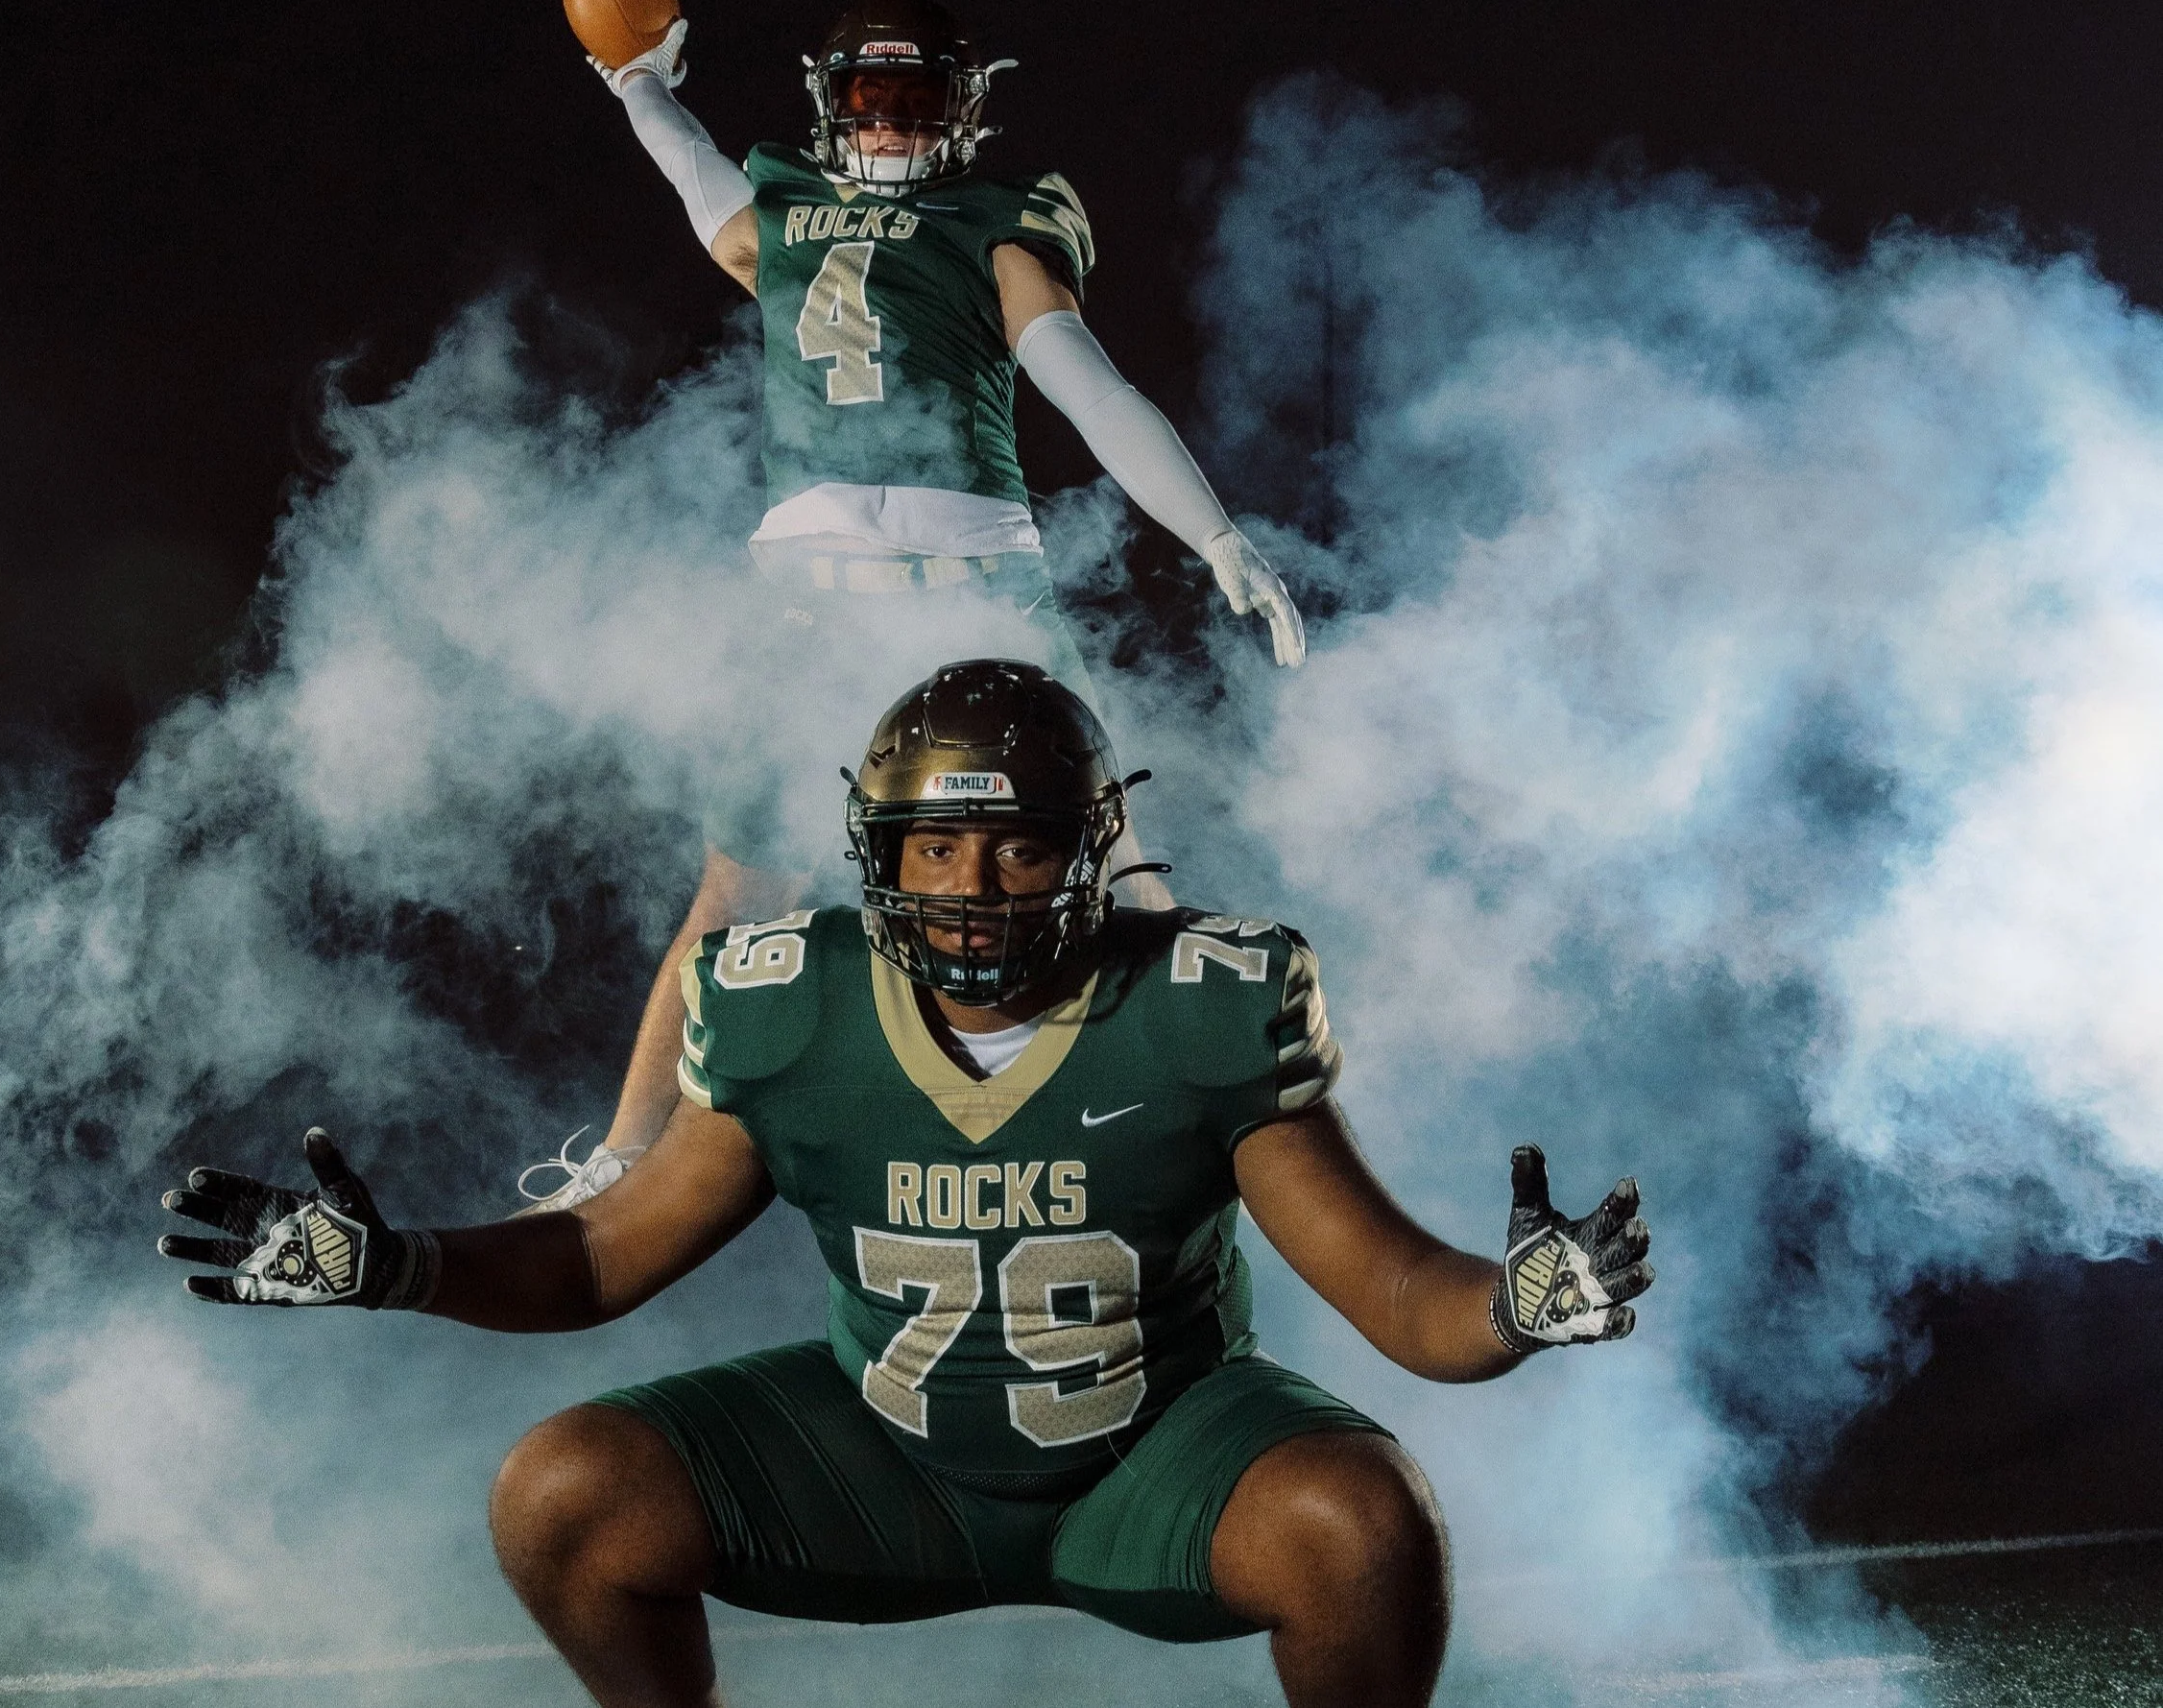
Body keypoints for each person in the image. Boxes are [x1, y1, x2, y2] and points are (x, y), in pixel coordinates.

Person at [161, 661, 1656, 1708]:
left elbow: (1400, 1293)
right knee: (564, 1490)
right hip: (890, 1456)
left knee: (1363, 1519)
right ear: (878, 853)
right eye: (934, 844)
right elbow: (608, 1256)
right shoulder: (789, 997)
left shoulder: (1203, 995)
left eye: (1016, 847)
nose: (971, 885)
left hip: (1158, 1458)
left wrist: (1517, 1302)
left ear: (1090, 850)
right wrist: (402, 1262)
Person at [538, 0, 1310, 1209]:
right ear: (828, 98)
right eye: (867, 95)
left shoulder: (992, 218)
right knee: (740, 896)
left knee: (1114, 871)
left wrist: (1210, 531)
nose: (888, 121)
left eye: (914, 99)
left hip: (974, 585)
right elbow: (704, 196)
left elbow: (1086, 385)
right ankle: (622, 1163)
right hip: (813, 592)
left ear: (964, 109)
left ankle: (1223, 1138)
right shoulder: (787, 205)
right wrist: (639, 89)